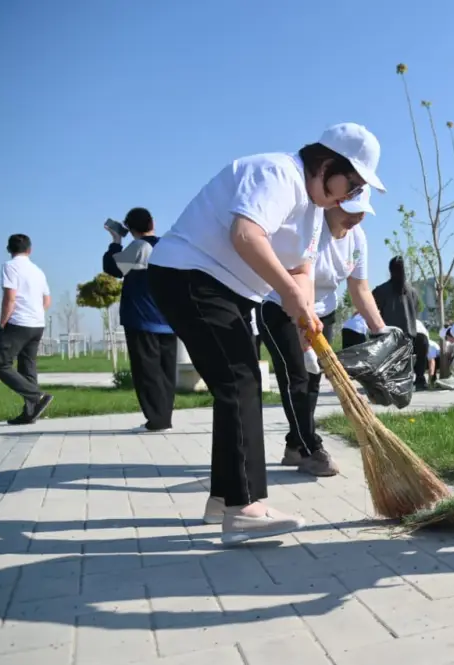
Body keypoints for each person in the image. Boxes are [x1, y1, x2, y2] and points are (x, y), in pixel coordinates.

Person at [148, 122, 386, 545]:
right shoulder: (278, 173)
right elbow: (246, 235)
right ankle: (244, 509)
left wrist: (304, 314)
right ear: (327, 164)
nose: (350, 196)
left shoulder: (312, 210)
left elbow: (302, 268)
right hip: (190, 275)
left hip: (232, 291)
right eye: (351, 185)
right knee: (239, 380)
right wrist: (290, 295)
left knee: (239, 382)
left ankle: (224, 498)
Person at [258, 187, 387, 477]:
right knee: (296, 377)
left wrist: (380, 330)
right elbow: (301, 279)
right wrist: (304, 332)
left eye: (362, 211)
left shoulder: (357, 238)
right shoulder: (309, 228)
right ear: (331, 203)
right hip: (282, 307)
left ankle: (295, 444)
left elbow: (360, 288)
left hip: (323, 313)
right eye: (351, 210)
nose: (358, 217)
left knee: (313, 381)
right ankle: (310, 449)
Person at [103, 207, 176, 432]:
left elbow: (113, 268)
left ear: (130, 228)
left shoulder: (139, 246)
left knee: (147, 371)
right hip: (169, 320)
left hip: (142, 319)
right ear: (153, 222)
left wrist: (116, 241)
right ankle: (164, 418)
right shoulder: (168, 246)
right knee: (166, 373)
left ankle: (156, 421)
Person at [0, 234, 53, 425]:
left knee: (1, 365)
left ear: (8, 249)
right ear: (30, 250)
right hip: (37, 324)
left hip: (18, 323)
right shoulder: (38, 271)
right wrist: (34, 314)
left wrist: (2, 323)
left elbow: (10, 297)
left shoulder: (10, 266)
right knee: (28, 368)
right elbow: (47, 300)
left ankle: (37, 395)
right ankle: (30, 412)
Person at [372, 256, 420, 340]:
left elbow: (372, 314)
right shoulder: (413, 292)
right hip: (408, 340)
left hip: (387, 340)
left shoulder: (380, 291)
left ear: (390, 270)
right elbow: (415, 314)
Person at [413, 319, 430, 390]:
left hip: (411, 335)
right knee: (421, 360)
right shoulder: (419, 322)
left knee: (407, 359)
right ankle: (420, 382)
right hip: (423, 337)